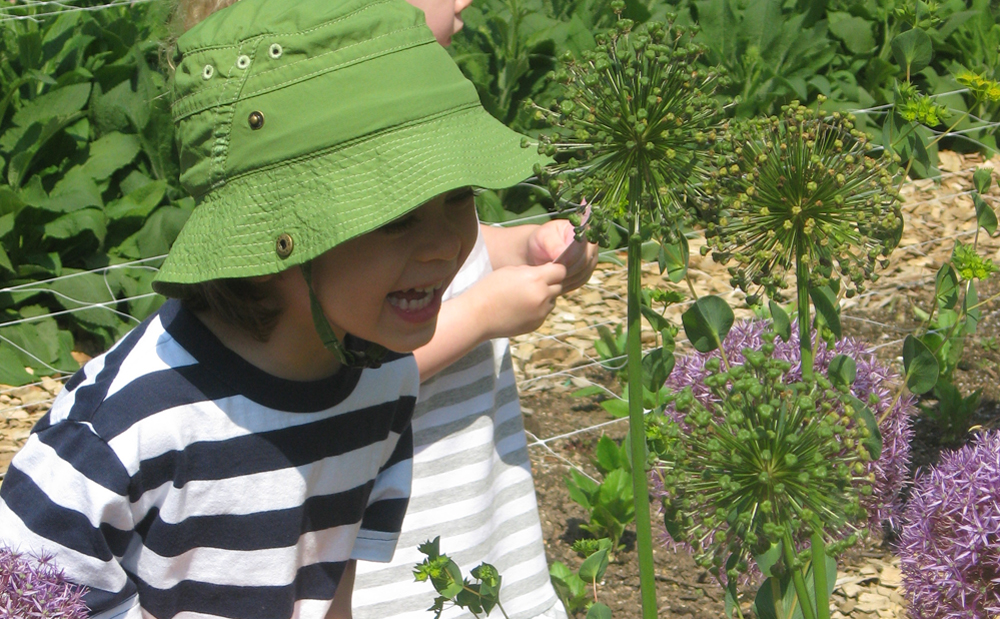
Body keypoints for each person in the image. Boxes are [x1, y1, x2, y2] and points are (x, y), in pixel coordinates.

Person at [0, 0, 550, 616]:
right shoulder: (128, 428)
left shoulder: (383, 383)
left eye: (459, 197)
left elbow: (330, 591)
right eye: (397, 217)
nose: (447, 243)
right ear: (280, 234)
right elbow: (22, 591)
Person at [350, 0, 599, 617]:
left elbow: (449, 251)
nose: (463, 1)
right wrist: (484, 313)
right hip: (400, 547)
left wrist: (521, 247)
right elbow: (355, 370)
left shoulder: (422, 108)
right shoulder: (341, 149)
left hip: (482, 507)